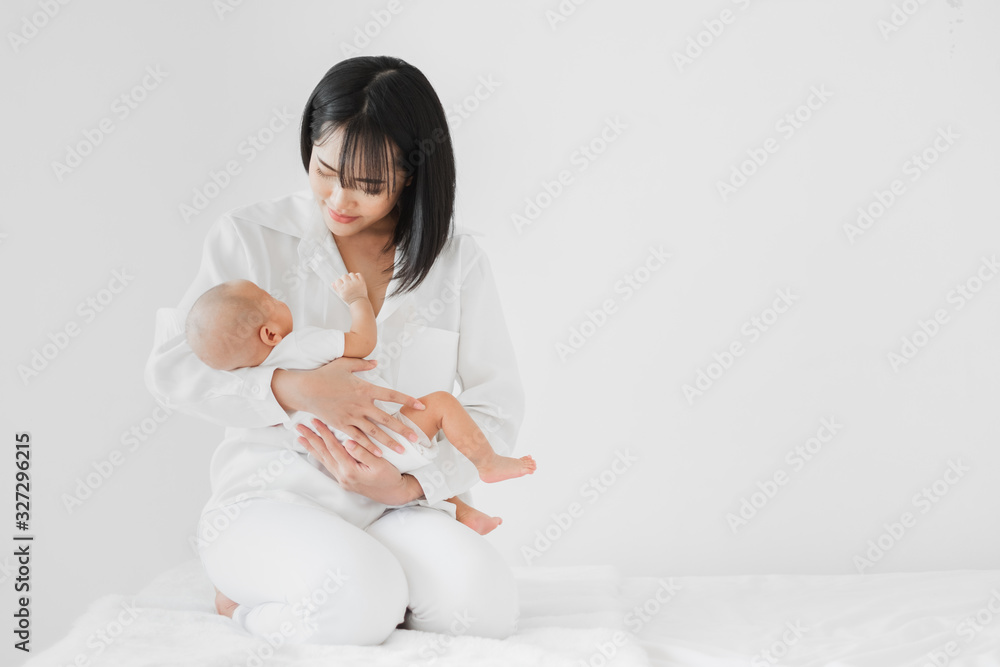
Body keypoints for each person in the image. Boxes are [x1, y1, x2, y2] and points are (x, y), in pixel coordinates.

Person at [144, 55, 524, 646]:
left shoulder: (457, 262)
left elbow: (497, 408)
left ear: (414, 175)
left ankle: (368, 580)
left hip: (394, 505)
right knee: (355, 599)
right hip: (273, 495)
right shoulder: (251, 236)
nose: (340, 198)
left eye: (370, 185)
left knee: (484, 608)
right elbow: (172, 370)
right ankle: (240, 606)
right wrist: (294, 388)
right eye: (325, 169)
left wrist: (408, 488)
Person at [183, 273, 536, 534]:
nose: (280, 300)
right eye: (271, 301)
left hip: (349, 458)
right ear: (270, 334)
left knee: (412, 476)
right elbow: (363, 341)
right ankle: (488, 463)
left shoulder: (261, 385)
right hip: (386, 433)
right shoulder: (303, 345)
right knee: (442, 404)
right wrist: (357, 300)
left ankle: (464, 514)